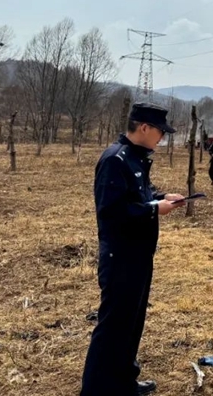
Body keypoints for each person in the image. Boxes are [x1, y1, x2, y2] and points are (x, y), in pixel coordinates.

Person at [81, 103, 186, 396]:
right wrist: (155, 211)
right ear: (143, 128)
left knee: (131, 323)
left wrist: (163, 198)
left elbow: (140, 195)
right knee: (113, 327)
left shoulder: (136, 159)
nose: (161, 139)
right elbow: (111, 211)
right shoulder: (115, 159)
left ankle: (123, 382)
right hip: (121, 256)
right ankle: (96, 390)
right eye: (159, 132)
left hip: (139, 254)